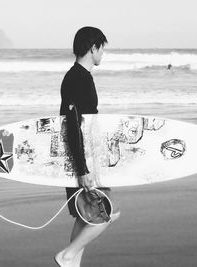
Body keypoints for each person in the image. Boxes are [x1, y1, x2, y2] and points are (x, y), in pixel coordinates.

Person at [55, 26, 120, 267]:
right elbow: (72, 126)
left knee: (87, 218)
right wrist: (82, 169)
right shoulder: (76, 78)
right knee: (105, 215)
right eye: (102, 48)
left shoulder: (81, 77)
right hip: (82, 161)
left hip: (87, 158)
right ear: (93, 47)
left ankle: (72, 263)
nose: (103, 54)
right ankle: (67, 255)